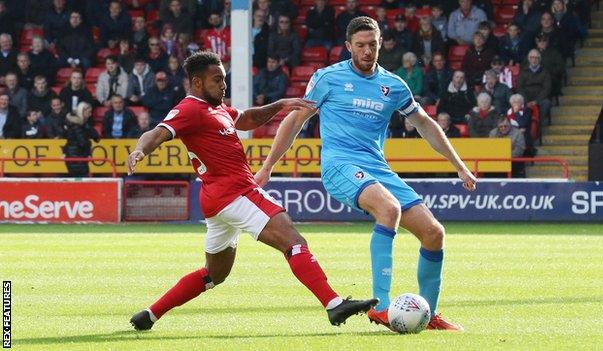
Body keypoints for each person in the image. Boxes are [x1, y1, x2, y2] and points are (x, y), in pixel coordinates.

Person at [127, 50, 378, 331]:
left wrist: (280, 104)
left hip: (216, 201)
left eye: (224, 79)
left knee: (213, 275)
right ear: (197, 83)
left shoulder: (217, 109)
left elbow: (246, 118)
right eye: (217, 80)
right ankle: (334, 304)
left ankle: (150, 314)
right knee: (293, 241)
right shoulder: (189, 109)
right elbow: (158, 133)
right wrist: (140, 149)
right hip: (235, 193)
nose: (223, 85)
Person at [254, 17, 476, 331]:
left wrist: (459, 165)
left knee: (434, 233)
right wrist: (267, 167)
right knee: (389, 209)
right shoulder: (327, 78)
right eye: (360, 45)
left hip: (377, 169)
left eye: (372, 44)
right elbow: (294, 121)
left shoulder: (394, 85)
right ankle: (381, 307)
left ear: (380, 43)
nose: (367, 51)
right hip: (339, 166)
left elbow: (426, 124)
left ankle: (428, 316)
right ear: (348, 47)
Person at [64, 102, 100, 176]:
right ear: (82, 111)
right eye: (89, 112)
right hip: (76, 156)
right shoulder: (76, 125)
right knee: (80, 178)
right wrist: (89, 143)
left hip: (78, 155)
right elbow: (83, 142)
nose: (90, 114)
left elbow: (96, 138)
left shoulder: (84, 124)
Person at [517, 49, 551, 124]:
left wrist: (537, 101)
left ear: (539, 59)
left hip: (539, 97)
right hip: (526, 97)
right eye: (532, 57)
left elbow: (547, 88)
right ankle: (525, 124)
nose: (534, 60)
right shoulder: (523, 71)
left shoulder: (545, 71)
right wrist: (526, 101)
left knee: (546, 103)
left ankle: (538, 123)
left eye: (536, 58)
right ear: (529, 59)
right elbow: (519, 87)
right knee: (517, 103)